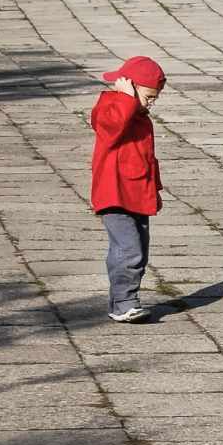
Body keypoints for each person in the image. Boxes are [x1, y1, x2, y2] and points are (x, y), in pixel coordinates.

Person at [90, 56, 166, 323]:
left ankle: (119, 302)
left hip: (136, 196)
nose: (152, 102)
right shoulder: (110, 106)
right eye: (149, 95)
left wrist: (153, 190)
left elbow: (146, 159)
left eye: (155, 97)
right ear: (130, 86)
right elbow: (110, 129)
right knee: (129, 250)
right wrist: (125, 98)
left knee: (139, 251)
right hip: (114, 195)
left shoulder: (140, 116)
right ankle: (125, 302)